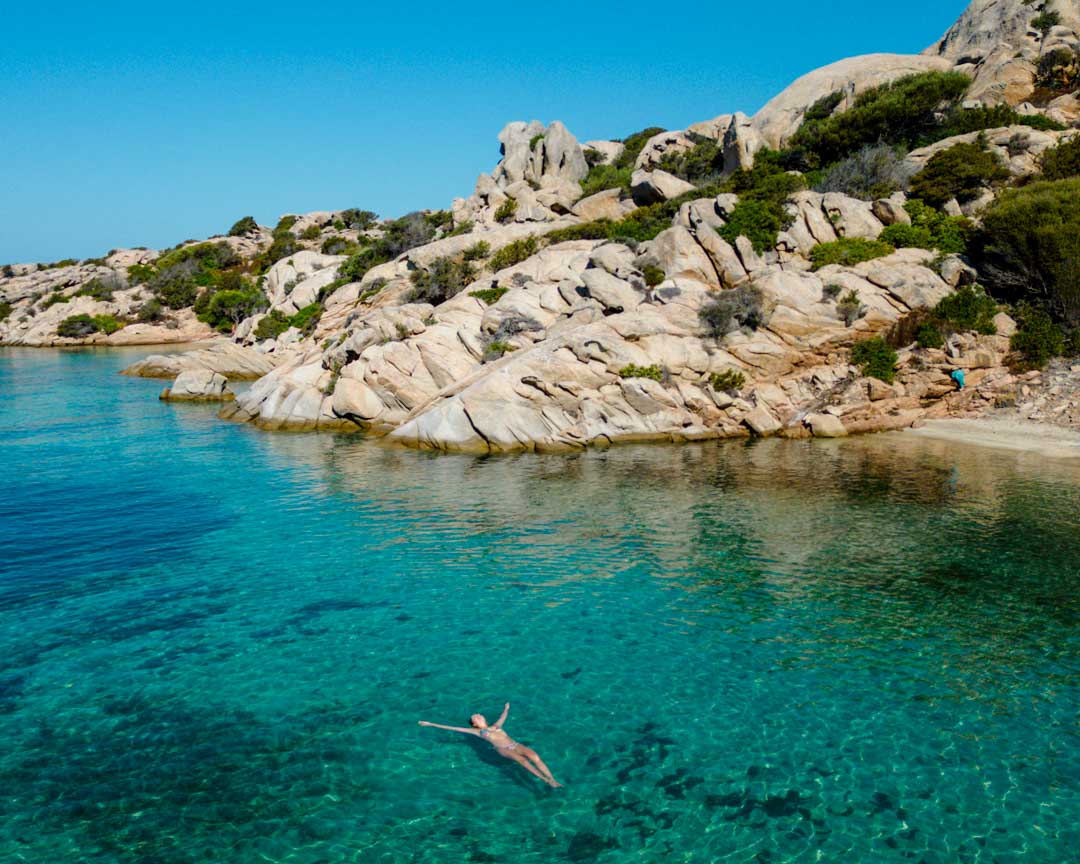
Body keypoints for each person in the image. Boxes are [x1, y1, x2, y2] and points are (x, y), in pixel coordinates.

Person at [418, 703, 562, 787]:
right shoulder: (477, 732)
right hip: (502, 749)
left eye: (479, 714)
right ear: (474, 723)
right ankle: (546, 780)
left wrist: (506, 709)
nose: (478, 714)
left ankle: (553, 779)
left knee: (535, 756)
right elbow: (452, 728)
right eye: (475, 716)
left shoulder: (495, 726)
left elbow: (502, 718)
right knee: (523, 761)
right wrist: (430, 724)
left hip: (515, 744)